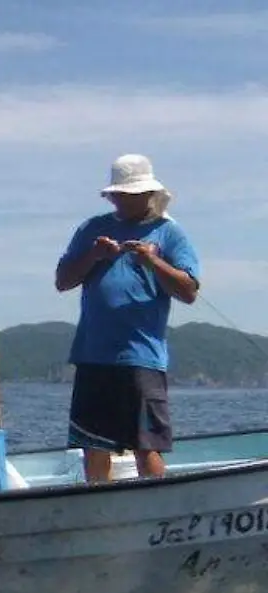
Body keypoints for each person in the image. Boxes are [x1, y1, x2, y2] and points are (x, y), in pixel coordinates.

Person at [54, 153, 201, 482]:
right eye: (117, 195)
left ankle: (155, 510)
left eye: (129, 195)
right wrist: (94, 254)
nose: (121, 201)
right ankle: (99, 512)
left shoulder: (169, 233)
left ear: (148, 195)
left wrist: (153, 262)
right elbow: (63, 281)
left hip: (141, 357)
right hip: (93, 355)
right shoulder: (92, 229)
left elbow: (189, 290)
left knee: (146, 445)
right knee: (93, 446)